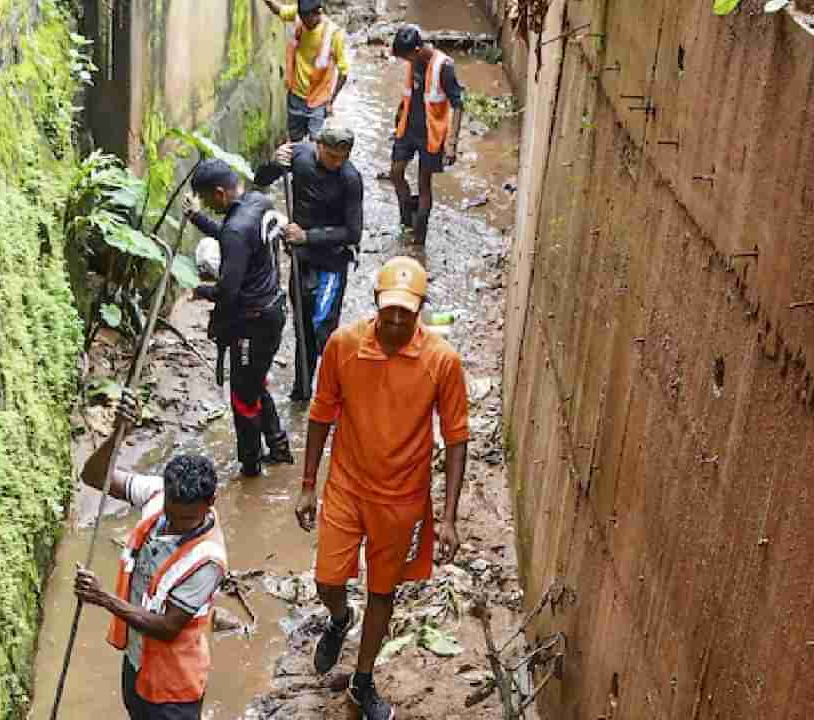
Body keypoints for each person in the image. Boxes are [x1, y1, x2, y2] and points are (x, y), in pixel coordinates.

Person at [293, 256, 470, 720]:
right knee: (328, 579)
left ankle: (363, 680)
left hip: (402, 500)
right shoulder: (343, 345)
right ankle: (338, 618)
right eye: (389, 310)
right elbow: (320, 414)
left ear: (420, 311)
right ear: (375, 304)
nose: (395, 320)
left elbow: (456, 438)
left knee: (382, 592)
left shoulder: (442, 362)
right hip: (347, 486)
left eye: (406, 313)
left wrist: (448, 518)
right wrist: (308, 485)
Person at [74, 419, 227, 720]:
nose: (174, 525)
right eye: (171, 514)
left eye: (187, 519)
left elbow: (167, 627)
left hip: (174, 689)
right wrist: (120, 430)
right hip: (137, 663)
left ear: (211, 503)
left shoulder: (208, 560)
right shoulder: (157, 493)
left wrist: (102, 597)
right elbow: (95, 476)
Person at [183, 158, 293, 476]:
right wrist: (197, 218)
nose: (209, 207)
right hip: (272, 310)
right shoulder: (258, 202)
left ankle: (250, 466)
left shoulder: (235, 229)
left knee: (243, 396)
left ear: (219, 193)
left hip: (252, 321)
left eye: (207, 200)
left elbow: (227, 291)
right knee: (255, 382)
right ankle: (279, 446)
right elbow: (234, 240)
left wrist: (200, 291)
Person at [253, 125, 364, 401]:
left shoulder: (350, 179)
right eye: (331, 157)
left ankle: (331, 392)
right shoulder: (299, 157)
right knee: (302, 326)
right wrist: (273, 163)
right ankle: (302, 390)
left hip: (332, 263)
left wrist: (307, 236)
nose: (337, 163)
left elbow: (353, 232)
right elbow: (261, 179)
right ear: (319, 147)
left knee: (323, 329)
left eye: (342, 158)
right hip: (302, 260)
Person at [389, 25, 465, 245]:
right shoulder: (413, 62)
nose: (406, 61)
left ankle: (419, 237)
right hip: (407, 129)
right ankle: (406, 216)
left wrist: (452, 143)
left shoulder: (444, 66)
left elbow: (458, 105)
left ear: (417, 49)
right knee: (395, 173)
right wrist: (397, 118)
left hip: (431, 135)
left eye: (406, 57)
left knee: (424, 182)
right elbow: (408, 94)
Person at [262, 0, 350, 141]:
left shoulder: (334, 34)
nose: (303, 22)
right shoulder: (299, 15)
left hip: (318, 100)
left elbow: (344, 72)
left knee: (316, 143)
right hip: (296, 95)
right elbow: (279, 10)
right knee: (295, 140)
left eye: (307, 19)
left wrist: (330, 101)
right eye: (301, 17)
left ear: (318, 13)